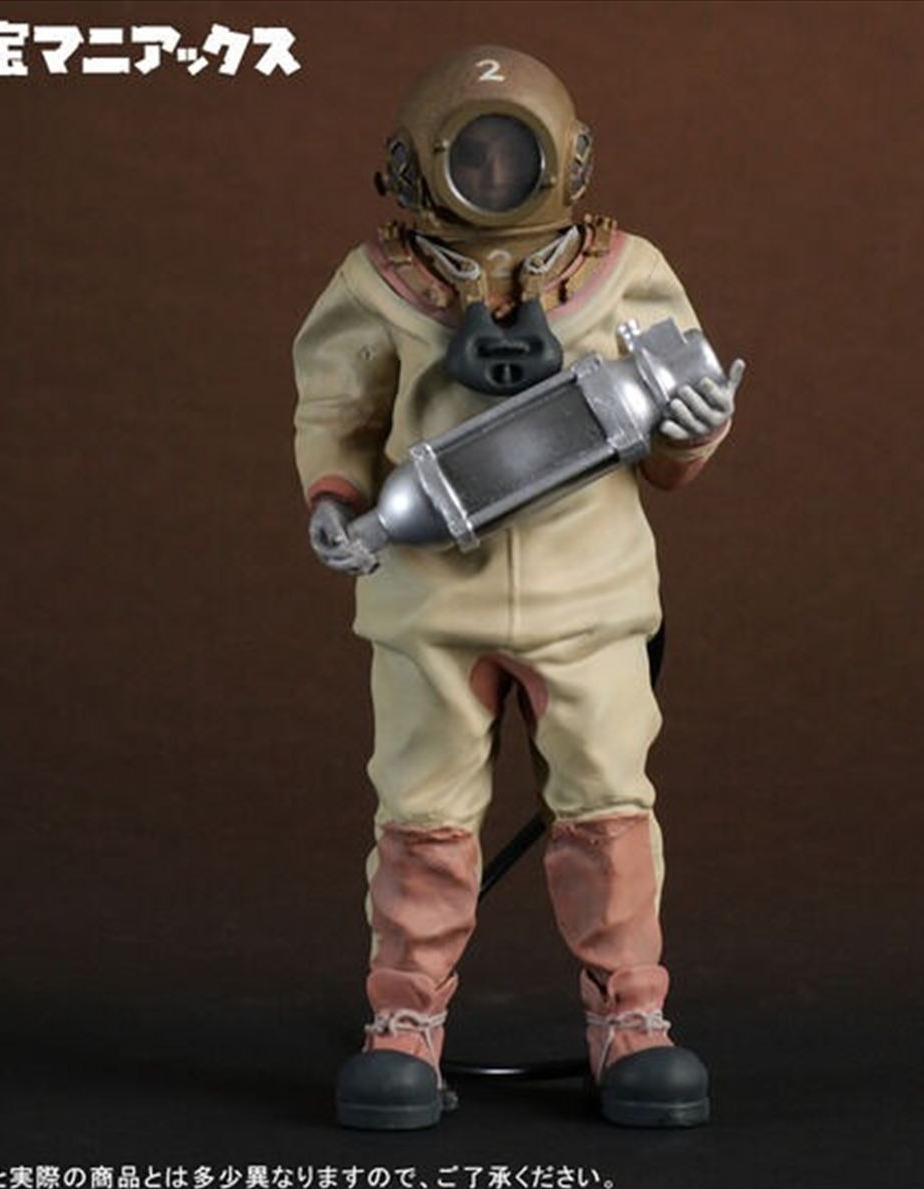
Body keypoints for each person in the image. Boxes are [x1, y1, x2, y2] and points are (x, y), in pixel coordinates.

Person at [290, 44, 742, 1130]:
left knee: (606, 805)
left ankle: (630, 1018)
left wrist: (695, 427)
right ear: (417, 167)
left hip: (589, 604)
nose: (493, 179)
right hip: (429, 608)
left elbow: (676, 423)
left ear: (566, 160)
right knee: (422, 815)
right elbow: (335, 414)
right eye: (473, 159)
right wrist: (334, 500)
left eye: (513, 158)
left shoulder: (624, 274)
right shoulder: (378, 286)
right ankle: (405, 1022)